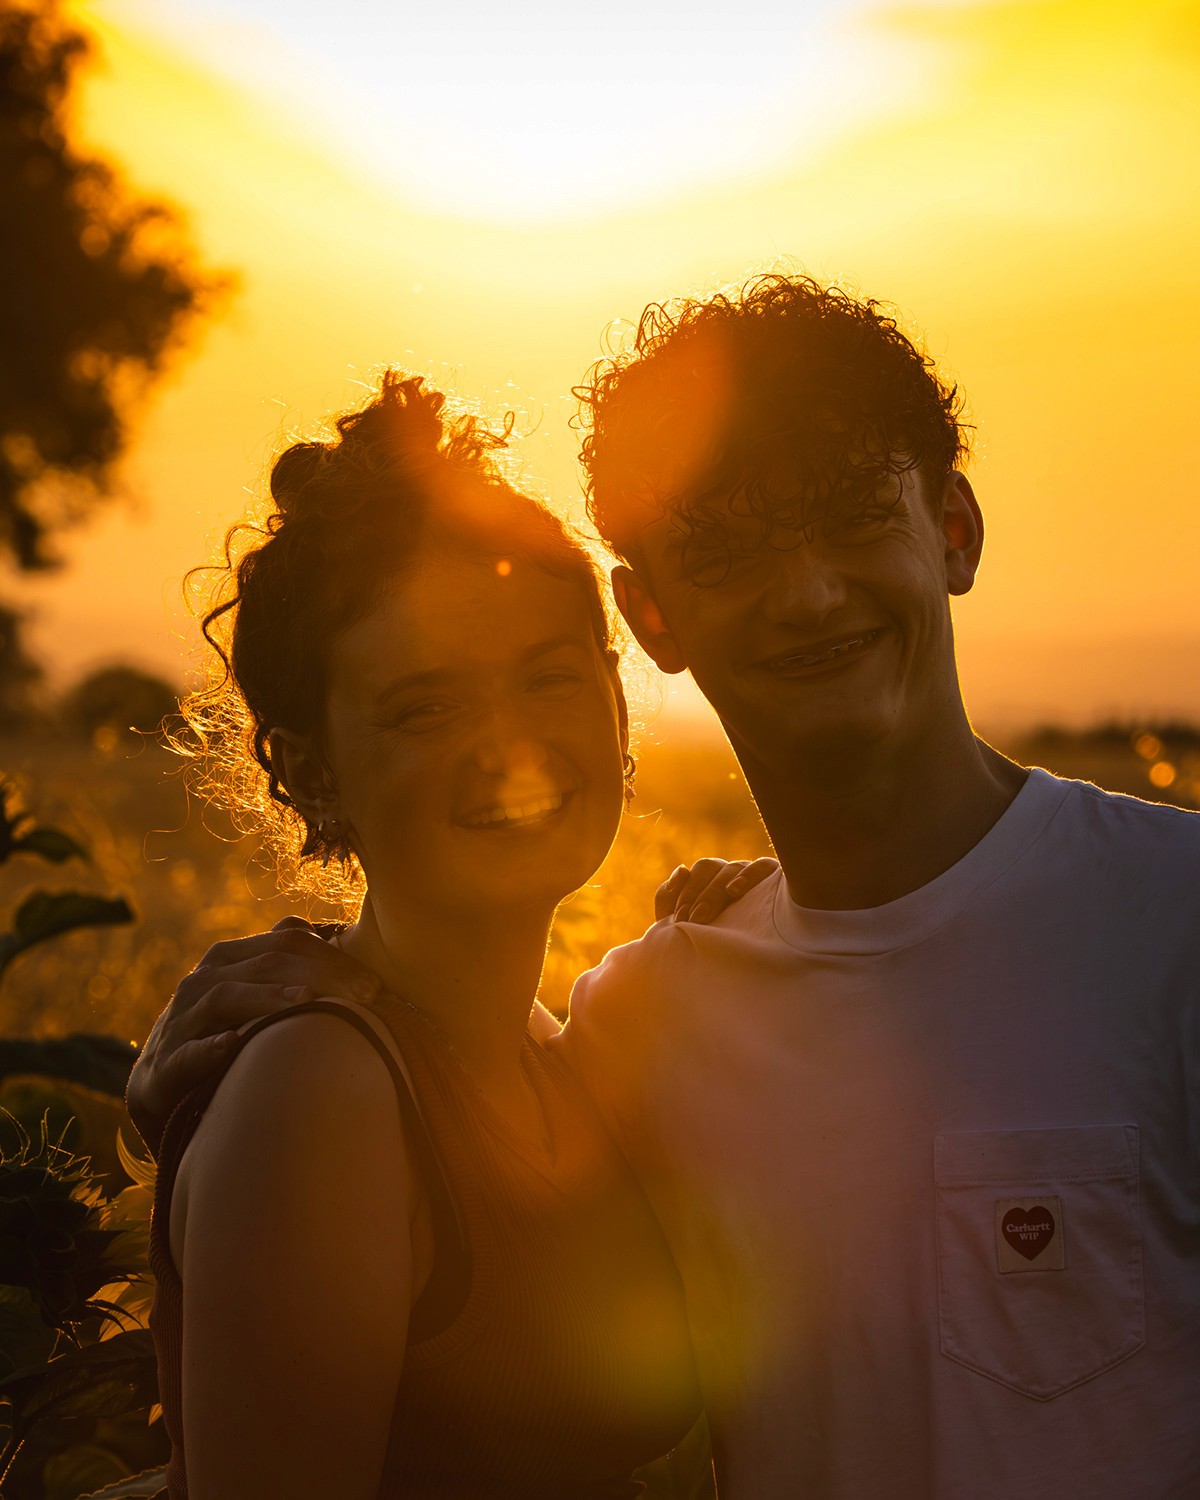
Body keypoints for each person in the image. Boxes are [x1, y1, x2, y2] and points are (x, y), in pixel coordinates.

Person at [132, 277, 1200, 1499]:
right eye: (730, 550)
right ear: (650, 619)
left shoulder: (1172, 921)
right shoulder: (632, 1024)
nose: (808, 593)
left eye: (854, 516)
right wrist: (210, 1095)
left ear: (952, 529)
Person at [145, 371, 747, 1499]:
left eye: (549, 678)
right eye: (426, 706)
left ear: (617, 705)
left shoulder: (552, 1049)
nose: (509, 748)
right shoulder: (322, 1095)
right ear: (312, 769)